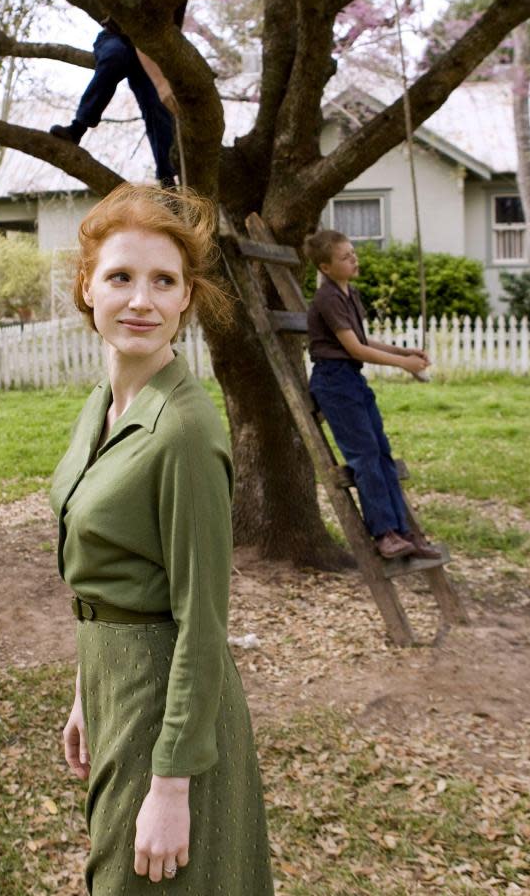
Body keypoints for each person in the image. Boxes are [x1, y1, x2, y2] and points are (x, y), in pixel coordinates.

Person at [50, 183, 275, 893]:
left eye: (164, 281)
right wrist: (87, 694)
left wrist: (171, 785)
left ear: (187, 299)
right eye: (120, 277)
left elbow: (202, 622)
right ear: (89, 288)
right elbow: (113, 575)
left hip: (163, 704)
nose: (140, 300)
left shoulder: (183, 431)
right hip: (113, 683)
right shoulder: (104, 408)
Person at [305, 229, 443, 561]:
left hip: (352, 379)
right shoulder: (327, 298)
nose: (354, 259)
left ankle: (404, 532)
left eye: (353, 253)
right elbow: (354, 349)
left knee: (382, 454)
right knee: (364, 456)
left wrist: (401, 350)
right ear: (325, 267)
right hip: (334, 382)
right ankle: (384, 534)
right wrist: (404, 365)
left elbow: (363, 341)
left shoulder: (349, 293)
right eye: (345, 257)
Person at [49, 0, 183, 187]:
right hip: (118, 40)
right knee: (118, 57)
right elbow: (138, 39)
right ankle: (78, 126)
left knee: (157, 105)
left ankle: (167, 178)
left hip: (150, 50)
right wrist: (160, 81)